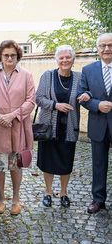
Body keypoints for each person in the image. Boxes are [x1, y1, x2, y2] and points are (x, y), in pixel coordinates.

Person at [0, 40, 35, 216]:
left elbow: (31, 100)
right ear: (0, 57)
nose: (9, 58)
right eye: (6, 55)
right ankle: (1, 198)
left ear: (17, 56)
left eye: (13, 55)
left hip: (18, 125)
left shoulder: (26, 75)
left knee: (15, 164)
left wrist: (13, 115)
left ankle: (16, 199)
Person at [36, 45, 88, 208]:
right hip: (49, 128)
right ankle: (48, 192)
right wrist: (55, 105)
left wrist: (88, 95)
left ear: (73, 60)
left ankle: (64, 193)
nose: (65, 60)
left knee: (66, 161)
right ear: (57, 60)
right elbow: (39, 98)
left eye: (68, 57)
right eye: (61, 57)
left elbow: (86, 94)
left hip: (69, 128)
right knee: (48, 161)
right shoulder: (48, 76)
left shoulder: (80, 78)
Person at [78, 33, 112, 214]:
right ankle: (98, 200)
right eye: (103, 45)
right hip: (98, 125)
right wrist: (97, 104)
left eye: (110, 45)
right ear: (98, 49)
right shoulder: (88, 70)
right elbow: (82, 97)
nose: (107, 49)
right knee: (99, 164)